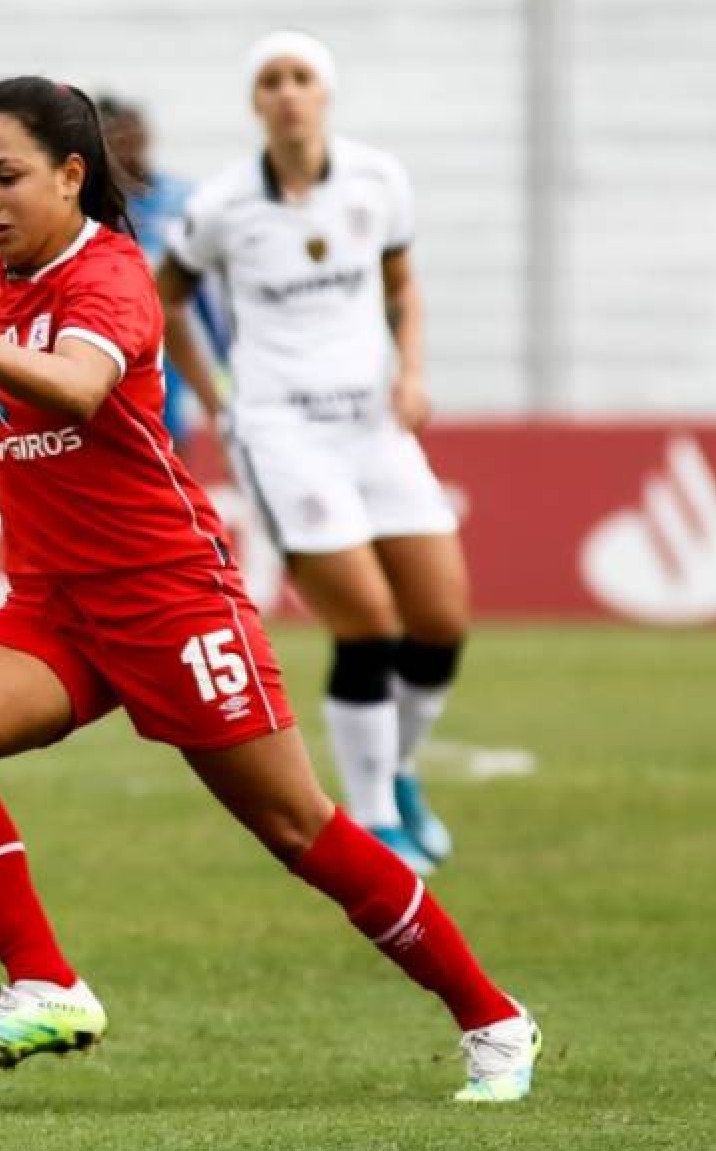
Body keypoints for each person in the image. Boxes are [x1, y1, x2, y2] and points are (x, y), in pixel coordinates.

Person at [0, 74, 537, 1102]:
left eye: (5, 175)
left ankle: (492, 1018)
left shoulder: (111, 278)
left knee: (295, 828)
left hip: (167, 601)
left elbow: (83, 387)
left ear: (70, 174)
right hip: (53, 605)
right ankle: (43, 980)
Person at [157, 32, 464, 875]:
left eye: (301, 78)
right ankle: (372, 823)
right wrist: (216, 395)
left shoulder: (378, 181)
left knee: (440, 621)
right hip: (284, 432)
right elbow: (165, 296)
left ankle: (395, 772)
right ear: (256, 103)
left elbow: (403, 285)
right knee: (366, 621)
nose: (288, 93)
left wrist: (413, 372)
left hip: (373, 424)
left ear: (324, 94)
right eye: (271, 81)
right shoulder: (222, 206)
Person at [98, 94, 232, 454]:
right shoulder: (96, 208)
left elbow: (209, 287)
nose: (125, 141)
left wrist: (223, 354)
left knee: (172, 440)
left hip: (176, 345)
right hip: (115, 351)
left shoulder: (184, 199)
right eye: (113, 135)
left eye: (131, 130)